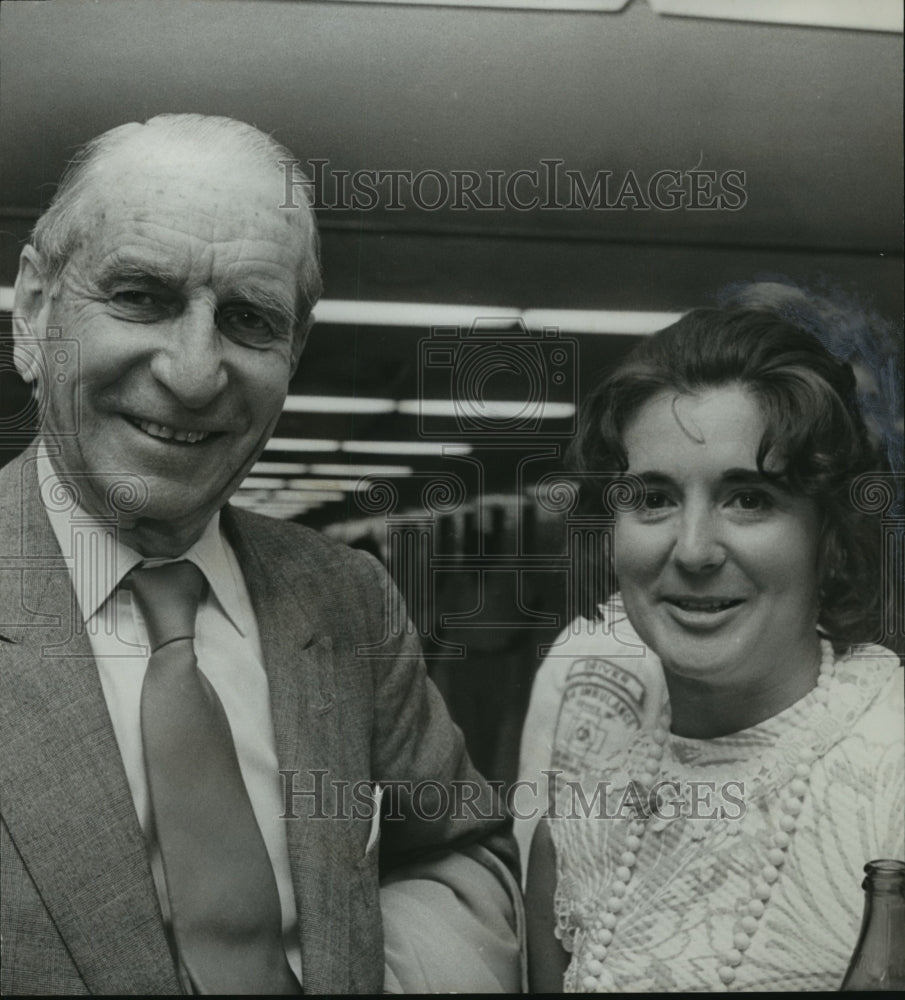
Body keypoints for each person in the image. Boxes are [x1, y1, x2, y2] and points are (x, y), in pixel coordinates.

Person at [0, 113, 523, 995]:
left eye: (247, 320)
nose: (195, 373)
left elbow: (458, 850)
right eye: (140, 297)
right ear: (35, 312)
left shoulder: (345, 597)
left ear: (294, 352)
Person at [524, 304, 904, 991]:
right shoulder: (583, 807)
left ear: (830, 535)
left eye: (748, 498)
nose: (693, 549)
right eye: (652, 499)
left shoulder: (892, 778)